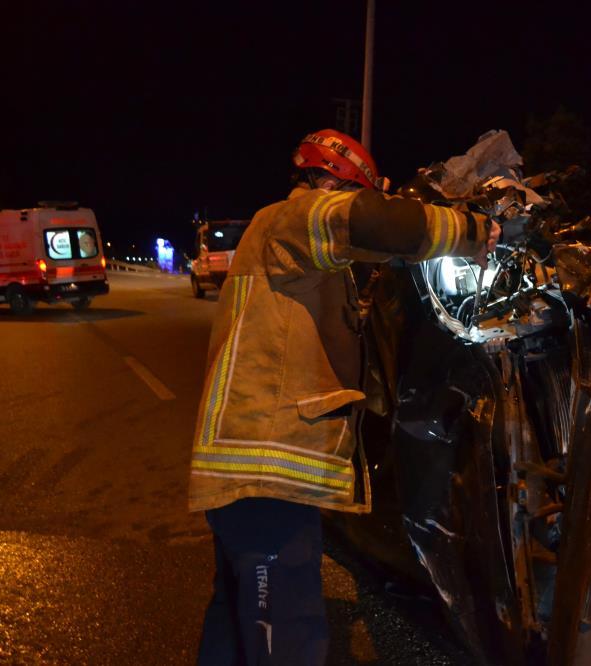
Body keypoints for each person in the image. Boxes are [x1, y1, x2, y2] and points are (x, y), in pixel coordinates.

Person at [189, 129, 500, 665]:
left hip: (252, 471)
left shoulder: (303, 260)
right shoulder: (292, 217)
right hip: (268, 469)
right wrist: (474, 229)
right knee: (285, 630)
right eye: (357, 191)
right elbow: (374, 222)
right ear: (332, 182)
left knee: (237, 614)